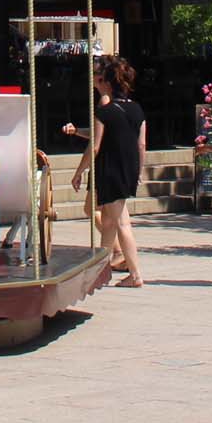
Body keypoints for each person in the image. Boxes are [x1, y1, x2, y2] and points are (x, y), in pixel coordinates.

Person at [64, 54, 146, 287]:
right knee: (109, 223)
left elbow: (96, 145)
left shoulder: (105, 111)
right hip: (128, 168)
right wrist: (139, 170)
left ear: (108, 83)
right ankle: (100, 271)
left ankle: (136, 274)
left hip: (110, 169)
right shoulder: (137, 109)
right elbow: (141, 144)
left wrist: (79, 171)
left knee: (121, 222)